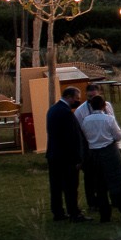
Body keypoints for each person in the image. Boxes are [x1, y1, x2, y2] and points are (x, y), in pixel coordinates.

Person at [78, 95, 121, 223]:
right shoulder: (109, 119)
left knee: (100, 186)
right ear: (103, 106)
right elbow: (118, 136)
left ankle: (105, 215)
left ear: (91, 106)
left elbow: (85, 136)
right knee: (118, 184)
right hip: (109, 152)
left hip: (94, 154)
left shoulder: (85, 121)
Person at [44, 84, 88, 221]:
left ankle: (58, 212)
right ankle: (74, 212)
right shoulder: (66, 113)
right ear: (68, 97)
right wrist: (78, 158)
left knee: (56, 186)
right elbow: (72, 137)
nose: (78, 101)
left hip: (53, 154)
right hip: (66, 157)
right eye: (76, 98)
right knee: (70, 186)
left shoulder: (52, 110)